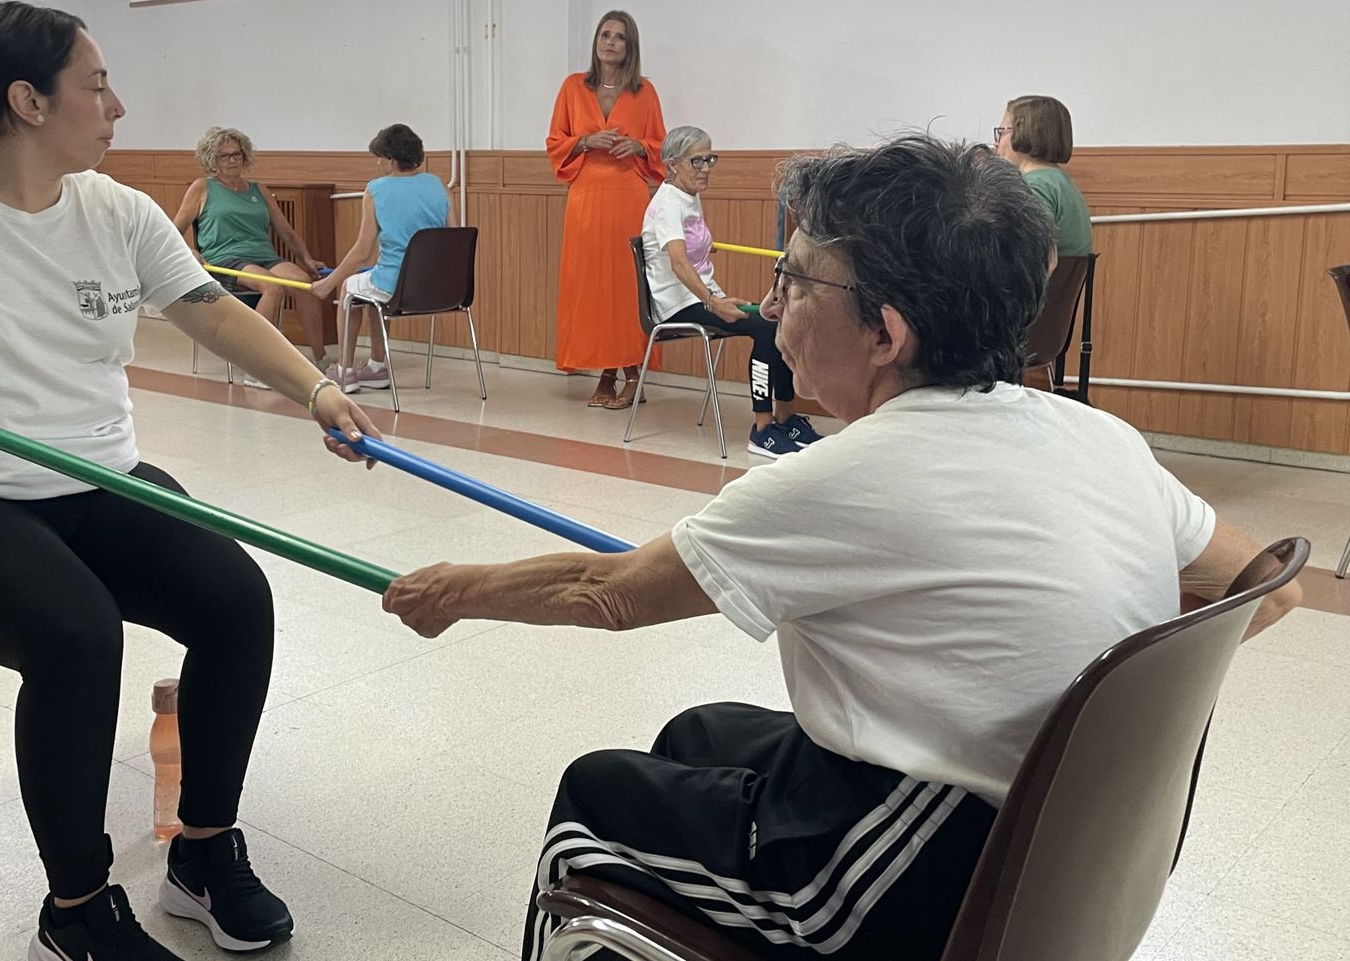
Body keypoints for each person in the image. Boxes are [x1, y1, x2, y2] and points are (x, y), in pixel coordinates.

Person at [381, 134, 1301, 961]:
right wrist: (1061, 695)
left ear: (886, 332)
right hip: (1070, 847)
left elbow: (606, 592)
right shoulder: (1095, 435)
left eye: (798, 280)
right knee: (697, 734)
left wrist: (450, 591)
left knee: (595, 801)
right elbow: (1268, 588)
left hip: (916, 881)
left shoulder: (847, 476)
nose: (776, 303)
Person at [0, 1, 379, 961]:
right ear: (26, 100)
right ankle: (77, 906)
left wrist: (315, 389)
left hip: (99, 478)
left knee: (235, 598)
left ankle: (206, 852)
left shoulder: (117, 209)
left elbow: (214, 314)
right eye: (96, 85)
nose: (118, 105)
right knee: (75, 633)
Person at [642, 125, 818, 457]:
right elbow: (679, 264)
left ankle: (786, 416)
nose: (706, 168)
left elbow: (690, 250)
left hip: (703, 296)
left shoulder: (689, 198)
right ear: (673, 163)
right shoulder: (667, 204)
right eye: (697, 161)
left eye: (710, 159)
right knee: (766, 328)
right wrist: (714, 303)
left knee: (778, 319)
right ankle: (763, 429)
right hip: (677, 304)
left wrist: (712, 290)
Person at [547, 10, 666, 409]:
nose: (610, 42)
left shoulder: (644, 91)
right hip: (585, 197)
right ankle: (606, 372)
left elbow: (662, 148)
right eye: (604, 34)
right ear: (596, 41)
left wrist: (640, 146)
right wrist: (585, 141)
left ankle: (633, 373)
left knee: (626, 286)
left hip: (628, 197)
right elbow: (555, 142)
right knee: (590, 286)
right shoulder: (572, 87)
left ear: (629, 47)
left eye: (619, 37)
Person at [171, 126, 328, 369]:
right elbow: (173, 232)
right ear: (213, 159)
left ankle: (321, 360)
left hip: (264, 257)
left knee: (306, 285)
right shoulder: (202, 187)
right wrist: (190, 253)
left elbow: (286, 231)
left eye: (237, 154)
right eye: (225, 156)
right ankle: (260, 364)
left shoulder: (258, 189)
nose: (233, 160)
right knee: (272, 288)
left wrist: (306, 259)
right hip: (225, 260)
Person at [311, 123, 452, 393]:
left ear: (391, 160)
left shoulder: (375, 189)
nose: (377, 164)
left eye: (380, 158)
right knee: (372, 287)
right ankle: (376, 367)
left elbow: (362, 251)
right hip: (441, 288)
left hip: (396, 286)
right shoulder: (439, 186)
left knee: (351, 288)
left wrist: (330, 283)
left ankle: (344, 370)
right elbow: (452, 237)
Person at [995, 95, 1092, 257]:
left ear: (1025, 133)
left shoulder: (1034, 187)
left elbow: (1033, 257)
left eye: (1001, 132)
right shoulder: (1058, 181)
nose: (996, 143)